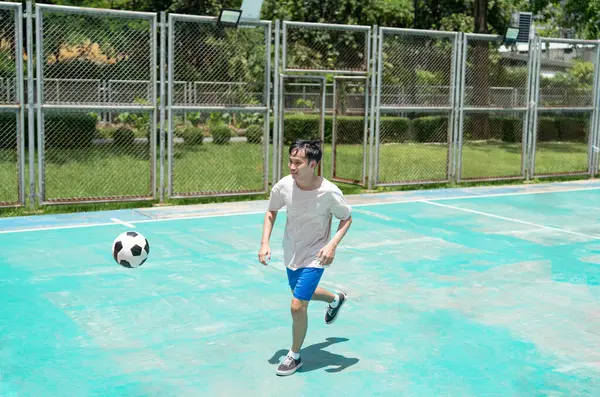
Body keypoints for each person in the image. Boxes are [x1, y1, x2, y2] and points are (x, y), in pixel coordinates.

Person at [258, 139, 353, 376]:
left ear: (313, 165)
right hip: (292, 250)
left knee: (297, 305)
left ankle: (294, 356)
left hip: (316, 254)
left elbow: (347, 217)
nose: (292, 166)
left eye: (297, 162)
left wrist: (332, 245)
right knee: (300, 292)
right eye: (290, 161)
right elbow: (271, 212)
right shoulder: (283, 186)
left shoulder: (329, 192)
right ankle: (335, 299)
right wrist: (264, 243)